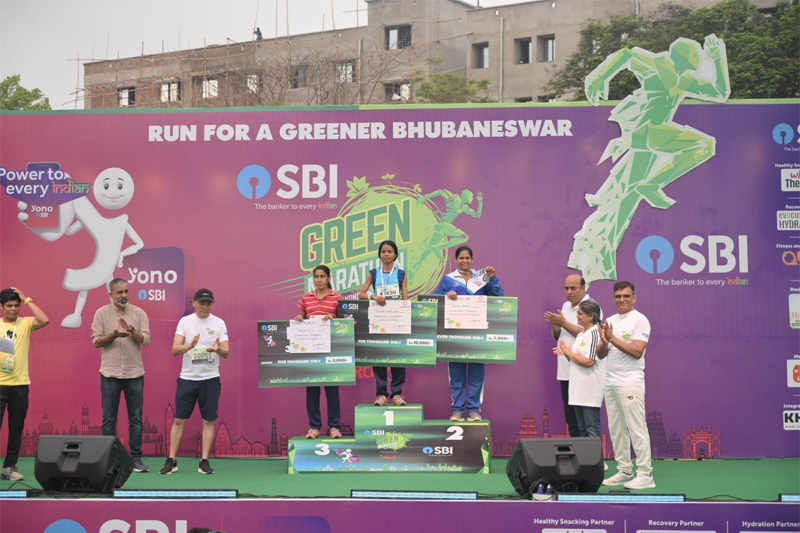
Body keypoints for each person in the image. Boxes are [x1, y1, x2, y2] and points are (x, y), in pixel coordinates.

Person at [161, 289, 229, 475]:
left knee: (208, 421)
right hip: (187, 379)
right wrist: (190, 345)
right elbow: (175, 349)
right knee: (178, 420)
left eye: (208, 303)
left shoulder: (219, 323)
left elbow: (226, 351)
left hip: (210, 379)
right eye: (201, 303)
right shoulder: (185, 322)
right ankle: (172, 460)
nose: (205, 307)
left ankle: (204, 461)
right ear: (193, 303)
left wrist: (217, 349)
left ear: (212, 304)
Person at [434, 245, 503, 422]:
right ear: (455, 260)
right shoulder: (448, 279)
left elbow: (498, 298)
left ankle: (473, 410)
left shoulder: (482, 278)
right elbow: (434, 301)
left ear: (472, 260)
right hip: (454, 335)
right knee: (456, 374)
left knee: (476, 374)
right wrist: (446, 296)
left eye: (467, 258)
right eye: (461, 258)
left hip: (478, 335)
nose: (464, 261)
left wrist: (493, 279)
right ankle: (457, 410)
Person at [598, 281, 654, 490]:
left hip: (631, 383)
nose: (622, 299)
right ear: (613, 298)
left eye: (626, 296)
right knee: (617, 430)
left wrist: (612, 338)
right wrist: (605, 342)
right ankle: (625, 470)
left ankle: (645, 474)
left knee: (637, 429)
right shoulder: (610, 320)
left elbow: (637, 351)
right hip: (610, 382)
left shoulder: (640, 320)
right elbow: (600, 354)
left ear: (634, 298)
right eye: (618, 296)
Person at [91, 278, 150, 473]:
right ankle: (109, 461)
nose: (124, 295)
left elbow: (146, 340)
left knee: (136, 418)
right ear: (111, 294)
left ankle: (136, 459)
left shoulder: (139, 313)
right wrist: (114, 335)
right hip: (110, 374)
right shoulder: (101, 313)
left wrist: (131, 330)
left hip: (134, 374)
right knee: (109, 419)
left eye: (126, 291)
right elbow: (96, 341)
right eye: (119, 292)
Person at [0, 288, 49, 481]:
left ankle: (9, 467)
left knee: (16, 428)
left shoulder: (26, 323)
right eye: (9, 306)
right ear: (1, 307)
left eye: (16, 305)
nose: (13, 309)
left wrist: (26, 299)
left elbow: (44, 320)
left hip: (20, 384)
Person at [544, 274, 601, 438]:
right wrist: (556, 326)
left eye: (573, 288)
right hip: (566, 371)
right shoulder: (565, 306)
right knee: (573, 420)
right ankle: (579, 452)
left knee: (589, 423)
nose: (569, 292)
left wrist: (563, 323)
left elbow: (589, 332)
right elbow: (558, 335)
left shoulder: (591, 306)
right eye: (566, 288)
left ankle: (592, 453)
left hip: (584, 373)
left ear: (583, 288)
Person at [358, 240, 409, 406]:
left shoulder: (401, 274)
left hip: (396, 321)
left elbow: (405, 298)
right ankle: (381, 395)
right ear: (379, 254)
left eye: (389, 251)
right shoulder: (373, 273)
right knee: (378, 357)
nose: (386, 254)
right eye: (383, 251)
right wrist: (372, 296)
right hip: (378, 321)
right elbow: (361, 294)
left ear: (395, 255)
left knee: (398, 357)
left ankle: (397, 394)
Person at [296, 265, 343, 439]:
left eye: (323, 276)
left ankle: (334, 427)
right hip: (312, 352)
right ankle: (314, 427)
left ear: (329, 278)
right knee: (312, 391)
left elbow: (345, 323)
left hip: (331, 350)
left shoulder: (337, 298)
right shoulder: (306, 298)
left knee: (332, 390)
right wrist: (299, 319)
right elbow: (301, 318)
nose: (319, 280)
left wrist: (334, 319)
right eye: (316, 276)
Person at [553, 300, 607, 438]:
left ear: (591, 316)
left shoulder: (596, 333)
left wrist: (569, 352)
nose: (577, 316)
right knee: (582, 430)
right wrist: (566, 353)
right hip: (576, 391)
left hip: (589, 391)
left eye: (580, 313)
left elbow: (589, 361)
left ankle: (596, 454)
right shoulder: (581, 335)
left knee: (591, 430)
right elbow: (574, 360)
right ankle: (585, 454)